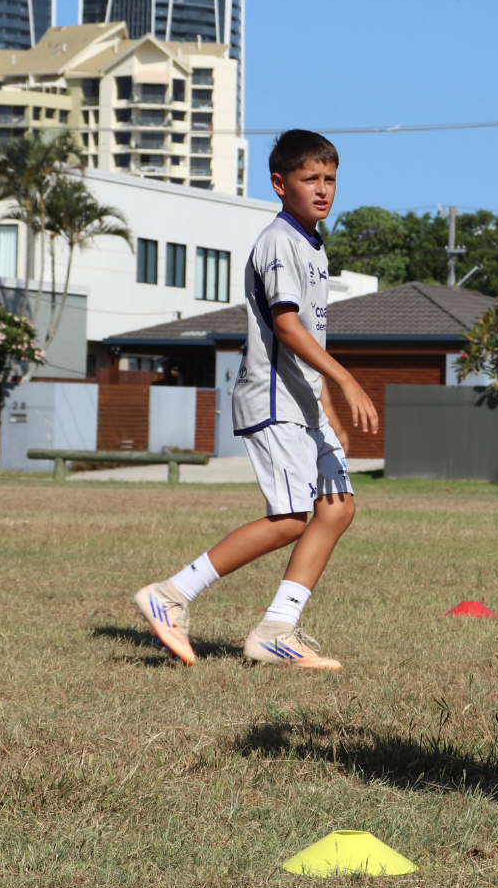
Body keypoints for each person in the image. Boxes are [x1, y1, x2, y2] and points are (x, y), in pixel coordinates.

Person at [133, 129, 378, 670]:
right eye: (309, 178)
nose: (322, 189)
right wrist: (345, 380)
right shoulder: (278, 241)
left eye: (330, 178)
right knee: (292, 517)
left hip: (301, 405)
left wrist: (325, 402)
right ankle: (171, 594)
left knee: (336, 509)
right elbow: (288, 328)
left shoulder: (313, 244)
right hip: (272, 404)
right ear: (279, 183)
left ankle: (276, 629)